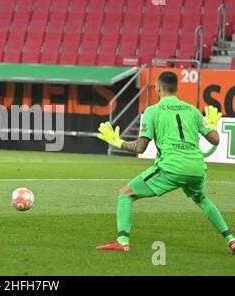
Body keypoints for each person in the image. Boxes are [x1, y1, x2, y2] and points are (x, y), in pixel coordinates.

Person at [96, 71, 234, 253]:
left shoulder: (153, 111)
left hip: (171, 167)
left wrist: (118, 142)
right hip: (196, 168)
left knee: (125, 194)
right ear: (176, 88)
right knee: (202, 199)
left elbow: (140, 147)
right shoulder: (192, 110)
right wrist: (213, 125)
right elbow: (215, 140)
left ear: (158, 88)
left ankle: (122, 241)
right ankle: (231, 240)